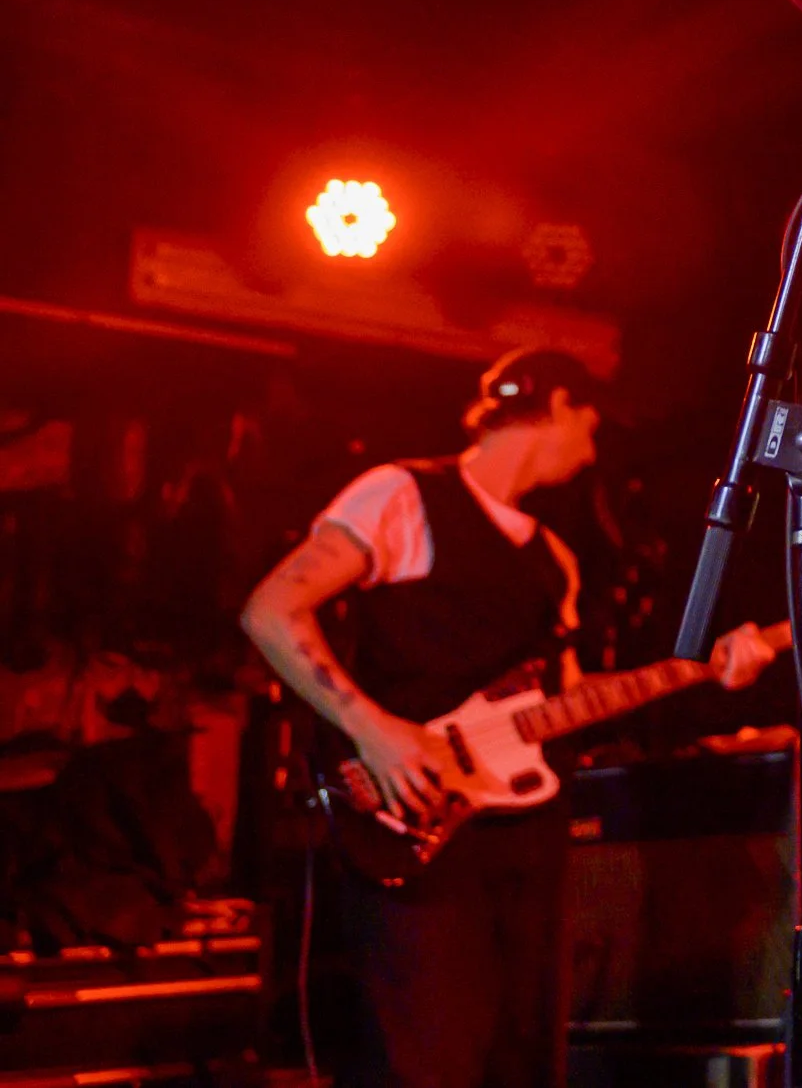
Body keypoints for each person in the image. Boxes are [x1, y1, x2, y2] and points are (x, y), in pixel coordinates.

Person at [239, 348, 774, 1088]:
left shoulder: (555, 560)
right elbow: (272, 609)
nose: (592, 449)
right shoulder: (401, 494)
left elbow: (569, 700)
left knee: (522, 1060)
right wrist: (373, 729)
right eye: (589, 424)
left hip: (530, 844)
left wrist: (711, 667)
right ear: (557, 405)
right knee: (425, 1061)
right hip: (419, 826)